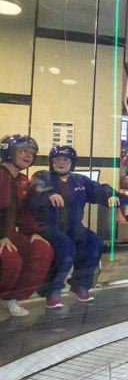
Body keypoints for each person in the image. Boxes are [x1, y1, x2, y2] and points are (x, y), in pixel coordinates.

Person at [29, 146, 128, 308]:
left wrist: (111, 196)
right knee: (66, 247)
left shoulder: (80, 180)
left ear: (72, 163)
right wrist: (49, 194)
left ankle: (80, 284)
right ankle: (52, 291)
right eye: (57, 160)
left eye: (65, 160)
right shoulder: (42, 176)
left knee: (93, 241)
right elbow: (36, 189)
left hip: (74, 226)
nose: (61, 163)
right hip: (49, 226)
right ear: (51, 162)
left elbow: (100, 189)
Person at [0, 135, 54, 316]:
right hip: (2, 234)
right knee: (10, 261)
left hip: (8, 234)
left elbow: (23, 212)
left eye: (31, 152)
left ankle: (10, 298)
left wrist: (33, 232)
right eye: (23, 151)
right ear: (8, 151)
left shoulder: (22, 180)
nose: (28, 156)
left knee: (41, 250)